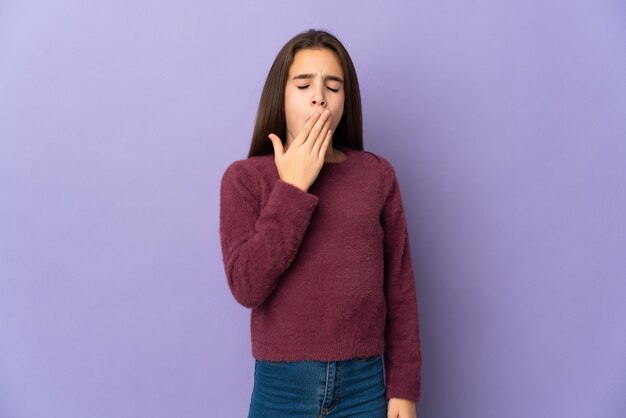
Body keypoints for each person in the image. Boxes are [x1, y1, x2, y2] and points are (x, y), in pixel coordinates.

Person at [219, 29, 422, 418]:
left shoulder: (376, 176)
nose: (319, 96)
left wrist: (404, 389)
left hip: (365, 386)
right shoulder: (244, 179)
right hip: (281, 389)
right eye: (303, 84)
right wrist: (293, 187)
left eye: (333, 86)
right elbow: (247, 287)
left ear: (345, 101)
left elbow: (400, 288)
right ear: (281, 94)